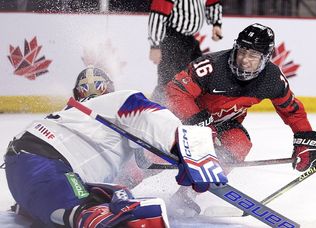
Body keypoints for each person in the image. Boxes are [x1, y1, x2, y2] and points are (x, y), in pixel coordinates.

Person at [4, 66, 226, 227]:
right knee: (90, 212)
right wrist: (193, 153)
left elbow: (139, 159)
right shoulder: (118, 100)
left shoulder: (71, 114)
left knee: (106, 195)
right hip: (43, 161)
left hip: (33, 166)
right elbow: (152, 116)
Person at [165, 23, 316, 173]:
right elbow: (177, 90)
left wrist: (305, 138)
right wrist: (198, 125)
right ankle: (139, 174)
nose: (245, 60)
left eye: (253, 55)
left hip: (221, 124)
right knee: (160, 154)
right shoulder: (211, 66)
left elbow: (291, 110)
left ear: (266, 58)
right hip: (184, 120)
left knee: (239, 144)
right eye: (242, 52)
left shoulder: (273, 79)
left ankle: (190, 193)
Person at [148, 0, 223, 104]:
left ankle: (191, 108)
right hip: (173, 38)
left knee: (197, 76)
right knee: (169, 79)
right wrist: (155, 45)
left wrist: (216, 24)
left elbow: (212, 2)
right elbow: (158, 14)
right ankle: (155, 108)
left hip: (190, 39)